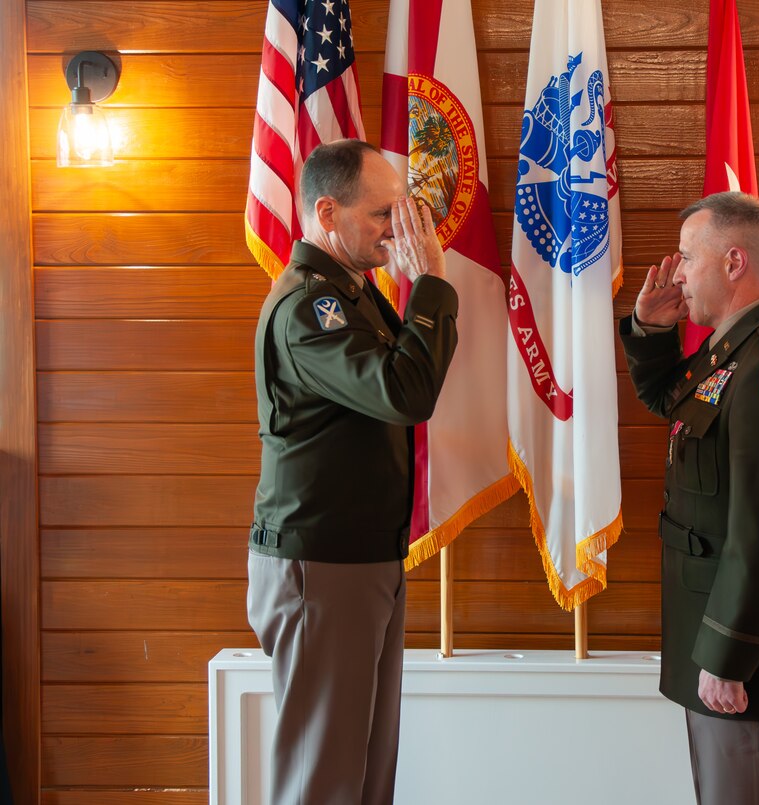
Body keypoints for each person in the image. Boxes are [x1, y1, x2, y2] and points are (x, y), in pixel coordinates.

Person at [247, 139, 458, 805]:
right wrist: (430, 287)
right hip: (325, 564)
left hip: (362, 557)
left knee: (365, 775)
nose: (398, 230)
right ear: (328, 213)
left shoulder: (351, 293)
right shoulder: (313, 306)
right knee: (323, 776)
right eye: (383, 215)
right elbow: (405, 392)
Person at [619, 192, 759, 804]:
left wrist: (727, 654)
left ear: (735, 262)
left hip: (748, 654)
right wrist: (653, 332)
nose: (679, 271)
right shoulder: (731, 351)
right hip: (722, 641)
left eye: (690, 257)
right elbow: (674, 402)